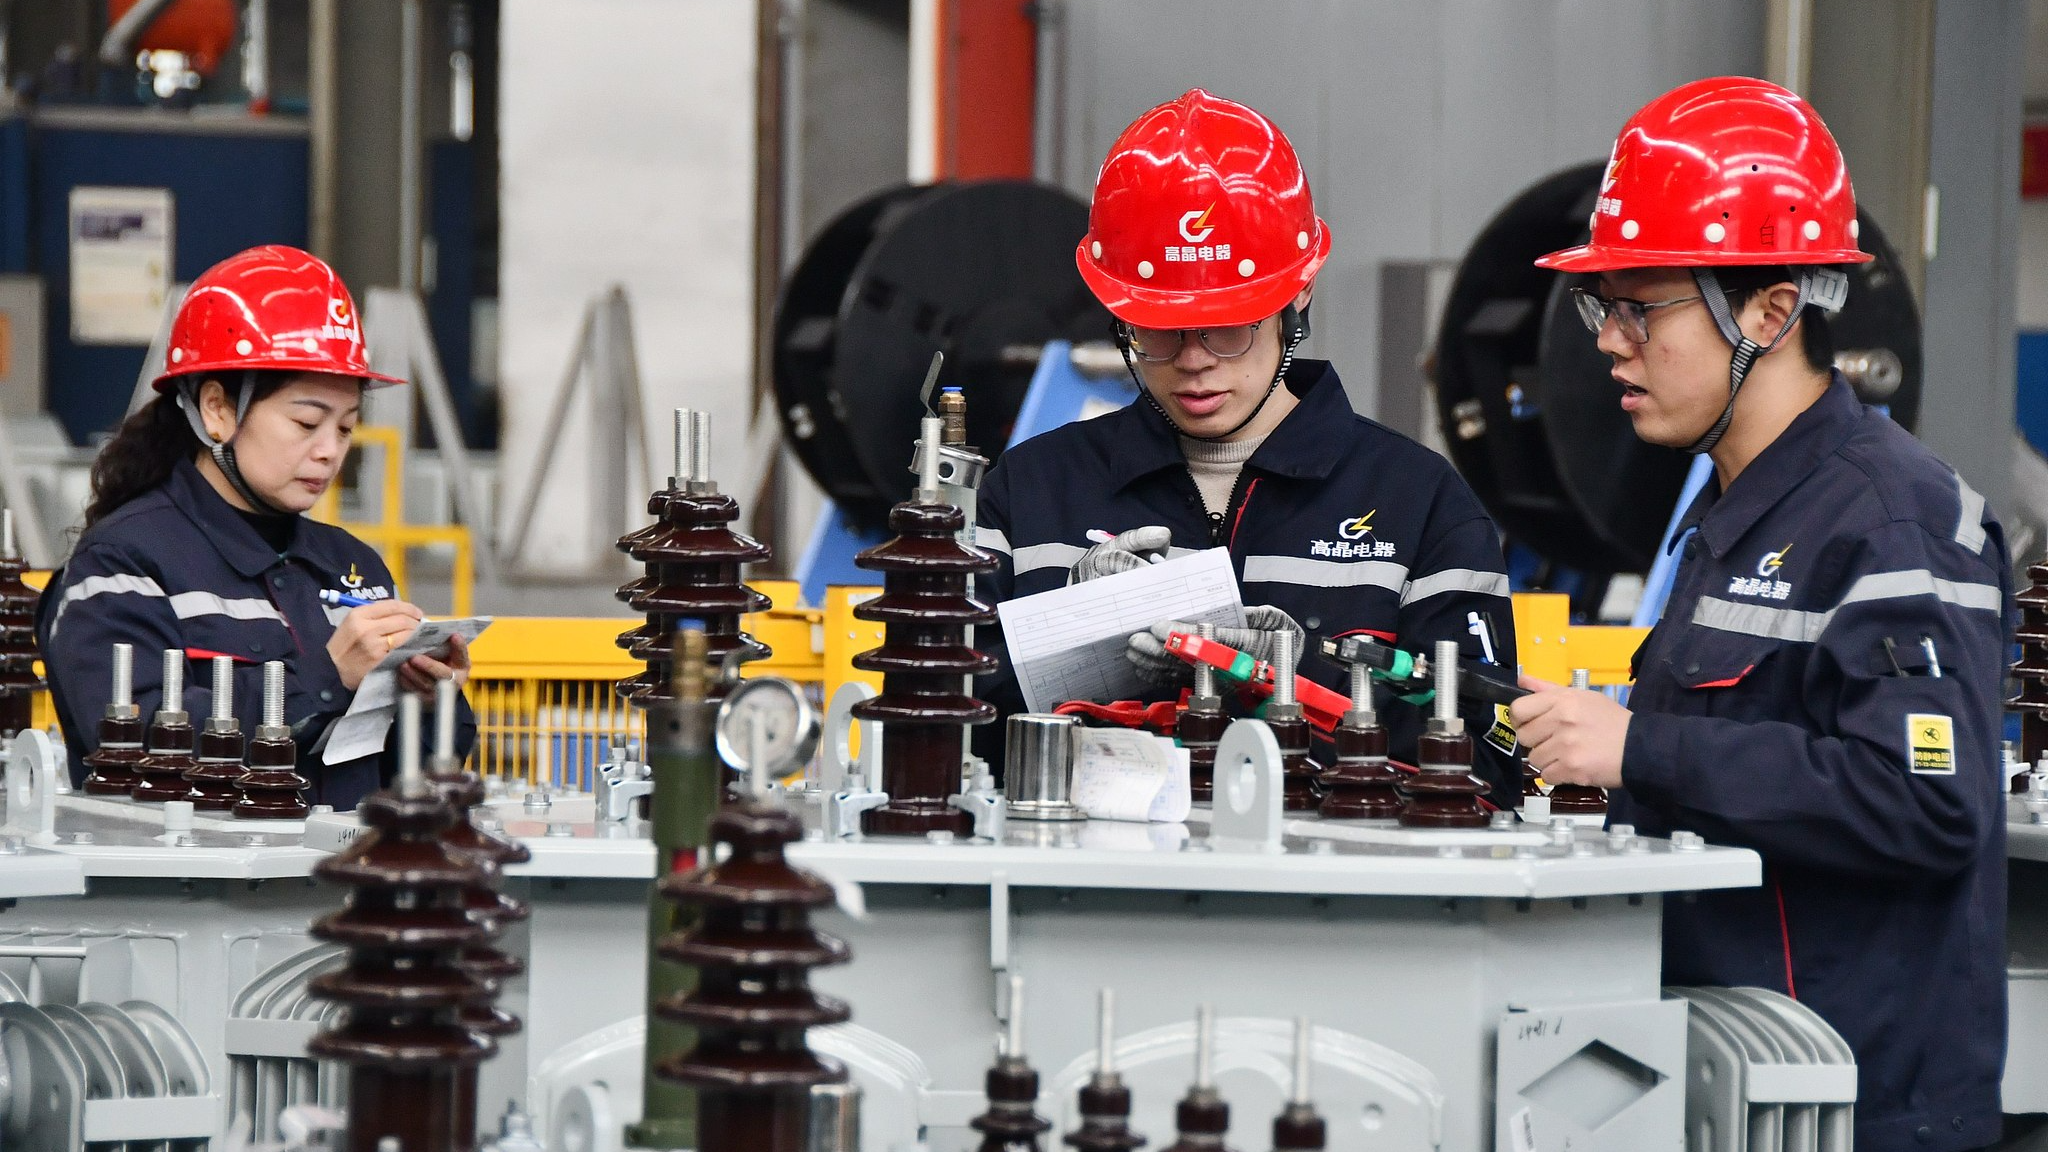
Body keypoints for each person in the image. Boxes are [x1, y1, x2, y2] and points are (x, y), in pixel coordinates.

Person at [1508, 78, 2008, 1152]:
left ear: (1770, 312)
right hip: (1728, 1086)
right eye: (1604, 308)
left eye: (1640, 308)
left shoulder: (1890, 522)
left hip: (1854, 1111)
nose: (1607, 343)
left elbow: (1925, 806)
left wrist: (1640, 749)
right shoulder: (1734, 511)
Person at [975, 89, 1517, 792]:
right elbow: (941, 734)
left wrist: (1293, 680)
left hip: (1336, 891)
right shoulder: (1030, 492)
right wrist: (1068, 632)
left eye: (1229, 325)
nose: (1195, 359)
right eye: (1159, 330)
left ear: (1298, 301)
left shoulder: (1420, 504)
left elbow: (1498, 760)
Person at [36, 244, 475, 808]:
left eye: (345, 428)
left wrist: (432, 705)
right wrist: (323, 676)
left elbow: (396, 779)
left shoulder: (352, 567)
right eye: (306, 421)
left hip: (337, 878)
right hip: (186, 887)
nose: (328, 453)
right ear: (217, 408)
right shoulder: (122, 563)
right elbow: (130, 741)